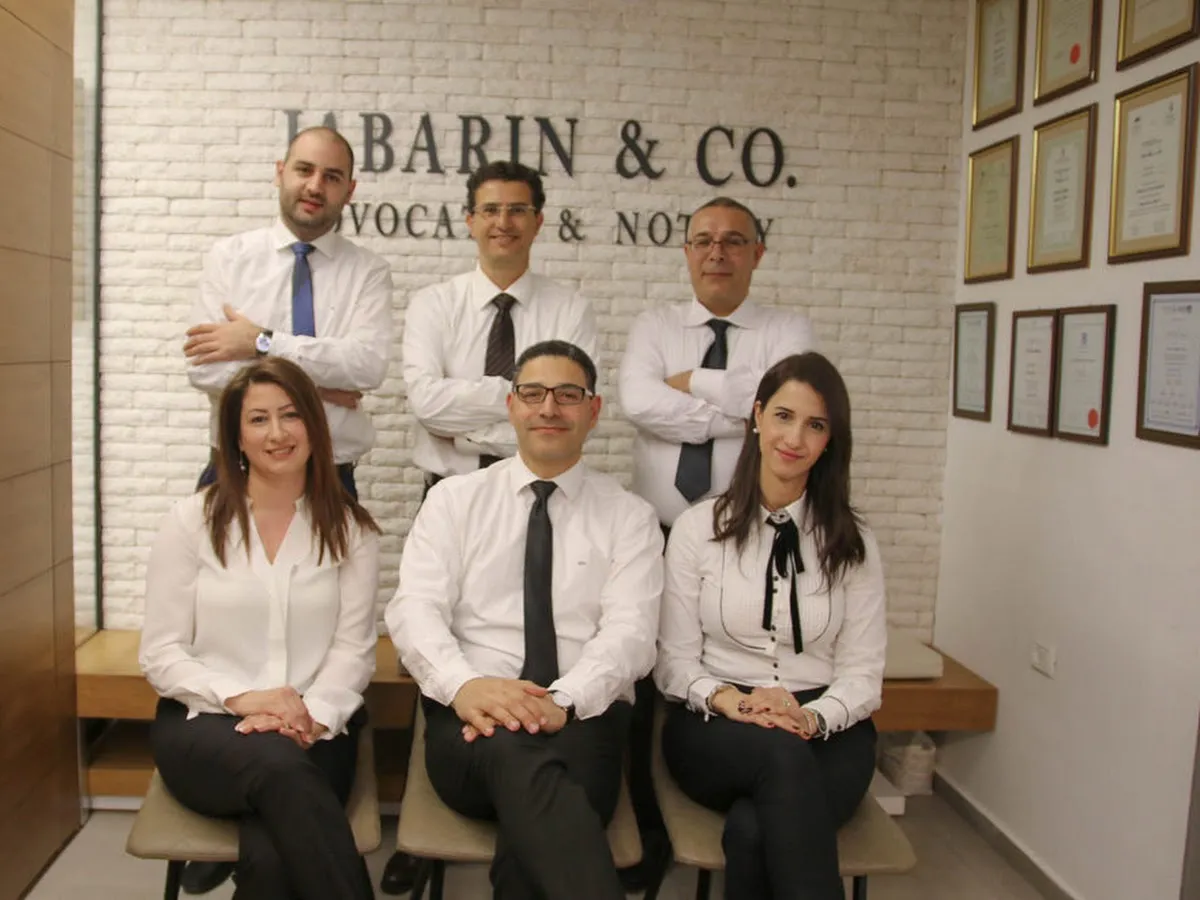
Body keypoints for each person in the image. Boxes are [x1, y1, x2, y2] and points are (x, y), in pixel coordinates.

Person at [383, 161, 595, 893]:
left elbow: (561, 416)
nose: (503, 222)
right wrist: (519, 401)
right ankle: (428, 817)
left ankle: (523, 789)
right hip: (451, 491)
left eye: (518, 209)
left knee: (533, 627)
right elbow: (424, 401)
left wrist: (484, 411)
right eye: (490, 209)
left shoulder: (570, 307)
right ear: (469, 220)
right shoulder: (435, 303)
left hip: (544, 487)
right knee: (439, 642)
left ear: (539, 221)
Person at [387, 340, 663, 900]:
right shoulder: (453, 501)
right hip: (471, 721)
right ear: (511, 406)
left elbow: (630, 635)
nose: (549, 408)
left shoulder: (630, 517)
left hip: (584, 720)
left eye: (568, 395)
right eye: (533, 394)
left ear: (593, 410)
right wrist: (465, 685)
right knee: (525, 763)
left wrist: (562, 701)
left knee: (533, 804)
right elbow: (415, 610)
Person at [616, 196, 815, 888]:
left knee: (734, 660)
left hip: (747, 535)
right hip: (658, 529)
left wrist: (691, 385)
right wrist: (746, 413)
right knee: (647, 681)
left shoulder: (789, 328)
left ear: (757, 253)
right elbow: (638, 402)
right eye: (703, 240)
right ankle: (648, 825)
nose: (717, 253)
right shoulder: (655, 324)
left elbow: (793, 409)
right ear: (686, 252)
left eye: (733, 241)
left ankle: (743, 788)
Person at [139, 357, 381, 900]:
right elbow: (161, 652)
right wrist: (245, 699)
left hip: (316, 729)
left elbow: (353, 652)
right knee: (284, 773)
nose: (277, 433)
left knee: (273, 853)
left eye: (291, 415)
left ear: (314, 426)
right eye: (258, 419)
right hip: (205, 726)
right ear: (235, 438)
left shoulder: (351, 530)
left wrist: (310, 716)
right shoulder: (191, 522)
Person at [655, 352, 887, 900]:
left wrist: (810, 717)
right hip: (716, 721)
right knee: (780, 756)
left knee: (754, 829)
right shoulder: (696, 529)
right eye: (783, 416)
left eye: (816, 425)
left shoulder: (853, 543)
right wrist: (732, 701)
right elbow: (673, 663)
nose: (795, 438)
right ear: (757, 416)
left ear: (830, 440)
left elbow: (862, 674)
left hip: (826, 726)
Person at [183, 125, 393, 503]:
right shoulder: (228, 259)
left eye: (332, 177)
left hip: (330, 479)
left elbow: (367, 366)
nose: (315, 186)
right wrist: (318, 389)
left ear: (349, 191)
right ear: (280, 173)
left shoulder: (369, 272)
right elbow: (204, 369)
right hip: (235, 473)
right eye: (304, 170)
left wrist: (260, 342)